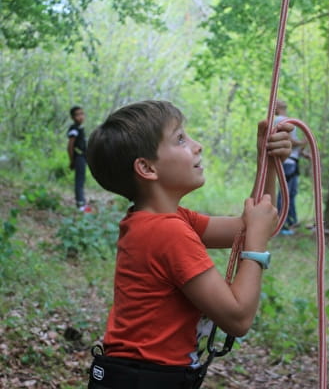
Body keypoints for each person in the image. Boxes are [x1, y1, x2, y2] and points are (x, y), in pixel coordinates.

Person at [86, 100, 292, 389]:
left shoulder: (163, 221)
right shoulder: (166, 232)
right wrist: (256, 243)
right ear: (146, 168)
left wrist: (267, 161)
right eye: (180, 138)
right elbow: (238, 316)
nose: (198, 146)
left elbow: (255, 224)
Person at [275, 100, 307, 235]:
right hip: (288, 162)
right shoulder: (282, 120)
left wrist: (302, 152)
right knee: (286, 193)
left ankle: (290, 222)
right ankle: (283, 224)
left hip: (291, 161)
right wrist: (303, 142)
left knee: (290, 193)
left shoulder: (282, 120)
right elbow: (288, 141)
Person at [67, 106, 90, 211]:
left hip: (83, 157)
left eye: (82, 114)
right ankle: (80, 204)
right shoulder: (74, 129)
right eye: (77, 114)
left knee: (81, 179)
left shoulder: (80, 128)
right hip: (78, 157)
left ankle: (82, 202)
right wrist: (72, 160)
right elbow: (70, 146)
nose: (80, 116)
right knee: (79, 181)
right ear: (72, 117)